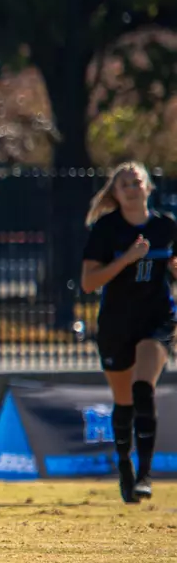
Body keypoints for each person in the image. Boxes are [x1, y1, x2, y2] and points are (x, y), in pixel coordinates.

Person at [81, 161, 177, 503]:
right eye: (125, 184)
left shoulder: (166, 226)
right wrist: (127, 259)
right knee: (123, 402)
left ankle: (145, 474)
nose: (132, 188)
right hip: (116, 324)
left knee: (142, 387)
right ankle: (125, 466)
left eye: (137, 181)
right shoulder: (107, 229)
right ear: (117, 194)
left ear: (148, 187)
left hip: (156, 319)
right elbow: (88, 282)